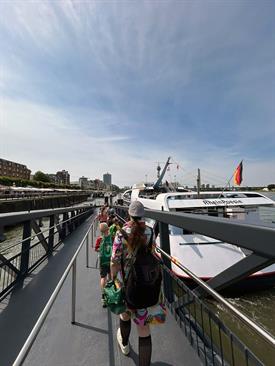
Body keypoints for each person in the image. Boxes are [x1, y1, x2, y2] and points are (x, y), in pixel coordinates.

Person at [111, 201, 166, 366]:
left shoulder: (122, 233)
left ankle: (125, 345)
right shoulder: (149, 231)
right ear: (143, 216)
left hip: (125, 281)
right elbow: (153, 253)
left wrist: (113, 279)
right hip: (144, 282)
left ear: (129, 214)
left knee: (125, 314)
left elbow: (114, 260)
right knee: (143, 328)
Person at [95, 222, 113, 307]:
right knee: (111, 276)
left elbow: (96, 249)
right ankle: (111, 293)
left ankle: (103, 296)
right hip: (111, 261)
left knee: (103, 277)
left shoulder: (99, 239)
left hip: (103, 261)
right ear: (108, 228)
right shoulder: (112, 238)